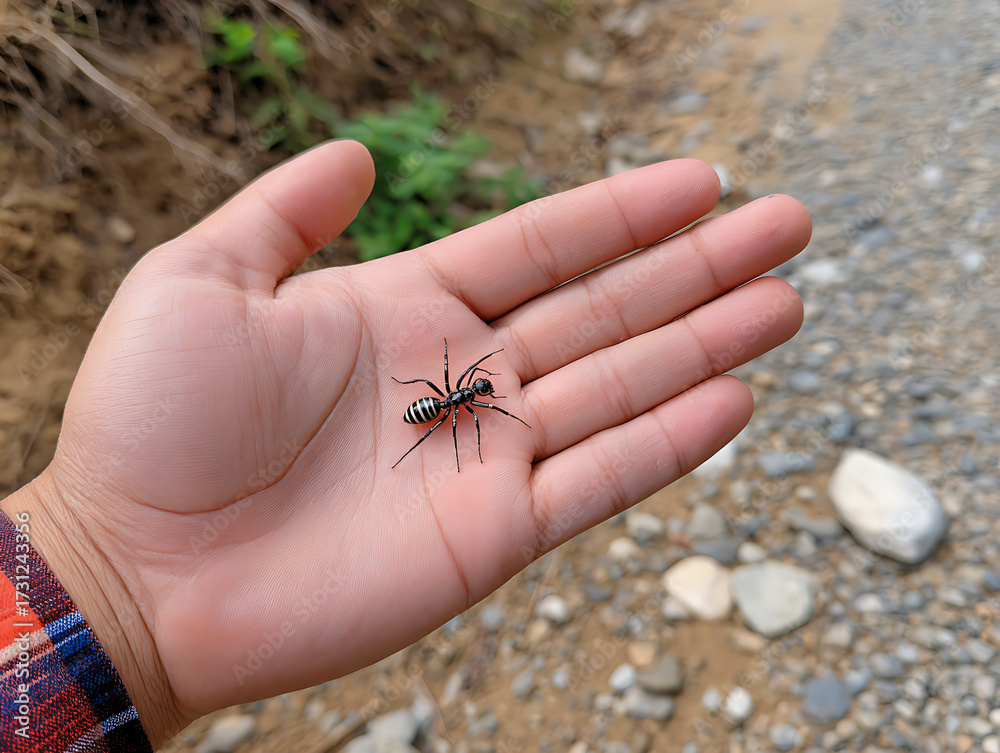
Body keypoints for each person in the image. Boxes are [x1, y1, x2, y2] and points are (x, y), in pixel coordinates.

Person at [0, 140, 811, 750]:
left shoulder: (466, 397)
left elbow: (466, 400)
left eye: (477, 393)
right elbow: (461, 403)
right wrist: (101, 563)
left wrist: (105, 576)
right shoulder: (457, 400)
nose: (475, 395)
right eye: (475, 391)